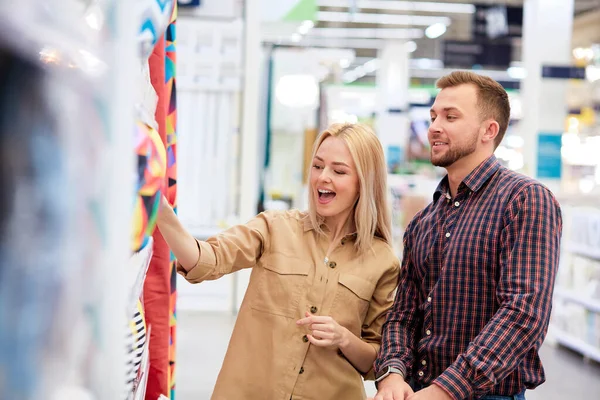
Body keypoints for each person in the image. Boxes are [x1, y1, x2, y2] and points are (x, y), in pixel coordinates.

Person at [157, 122, 400, 399]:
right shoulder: (275, 227)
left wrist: (343, 337)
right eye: (318, 166)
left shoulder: (383, 261)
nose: (323, 177)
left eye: (339, 171)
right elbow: (207, 260)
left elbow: (376, 360)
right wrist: (162, 212)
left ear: (364, 182)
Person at [371, 71, 563, 400]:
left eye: (450, 116)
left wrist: (446, 390)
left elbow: (523, 312)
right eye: (433, 116)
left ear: (489, 130)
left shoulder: (524, 200)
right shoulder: (423, 221)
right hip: (416, 391)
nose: (434, 126)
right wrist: (391, 373)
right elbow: (403, 313)